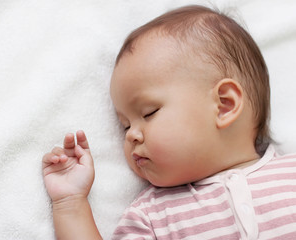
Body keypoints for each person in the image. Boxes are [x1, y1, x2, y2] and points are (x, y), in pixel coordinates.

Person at [42, 5, 296, 240]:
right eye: (125, 126)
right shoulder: (151, 216)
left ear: (224, 105)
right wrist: (70, 204)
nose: (131, 136)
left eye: (149, 112)